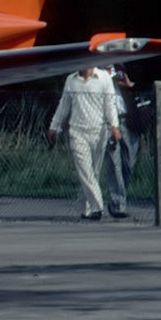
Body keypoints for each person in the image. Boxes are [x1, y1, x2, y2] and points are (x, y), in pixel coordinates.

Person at [47, 66, 120, 221]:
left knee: (94, 173)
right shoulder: (71, 80)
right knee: (85, 172)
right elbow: (64, 104)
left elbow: (110, 105)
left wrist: (115, 126)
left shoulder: (104, 78)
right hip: (77, 132)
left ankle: (88, 209)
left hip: (99, 131)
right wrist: (54, 126)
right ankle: (98, 207)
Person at [103, 65, 144, 220]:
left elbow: (141, 88)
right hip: (109, 122)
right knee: (114, 164)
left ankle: (119, 197)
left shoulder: (123, 70)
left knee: (129, 164)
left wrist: (129, 85)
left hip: (129, 121)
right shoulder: (96, 74)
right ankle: (117, 204)